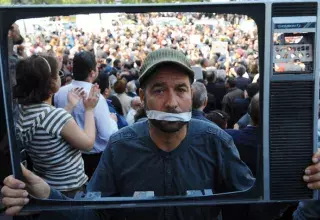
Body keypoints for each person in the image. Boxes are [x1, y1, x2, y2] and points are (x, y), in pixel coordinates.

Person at [2, 48, 320, 220]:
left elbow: (255, 208)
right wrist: (45, 194)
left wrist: (298, 179)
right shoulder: (120, 146)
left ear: (190, 93)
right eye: (159, 90)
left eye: (180, 89)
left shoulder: (216, 141)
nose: (170, 102)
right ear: (143, 95)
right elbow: (94, 212)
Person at [13, 54, 100, 196]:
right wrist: (89, 109)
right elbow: (88, 144)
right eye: (58, 74)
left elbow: (49, 125)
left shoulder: (23, 112)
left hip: (47, 185)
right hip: (70, 189)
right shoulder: (56, 117)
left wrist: (70, 106)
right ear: (51, 83)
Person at [54, 51, 118, 179]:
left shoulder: (60, 92)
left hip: (68, 157)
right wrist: (113, 120)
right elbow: (107, 134)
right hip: (94, 159)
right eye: (96, 67)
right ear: (92, 72)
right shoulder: (96, 97)